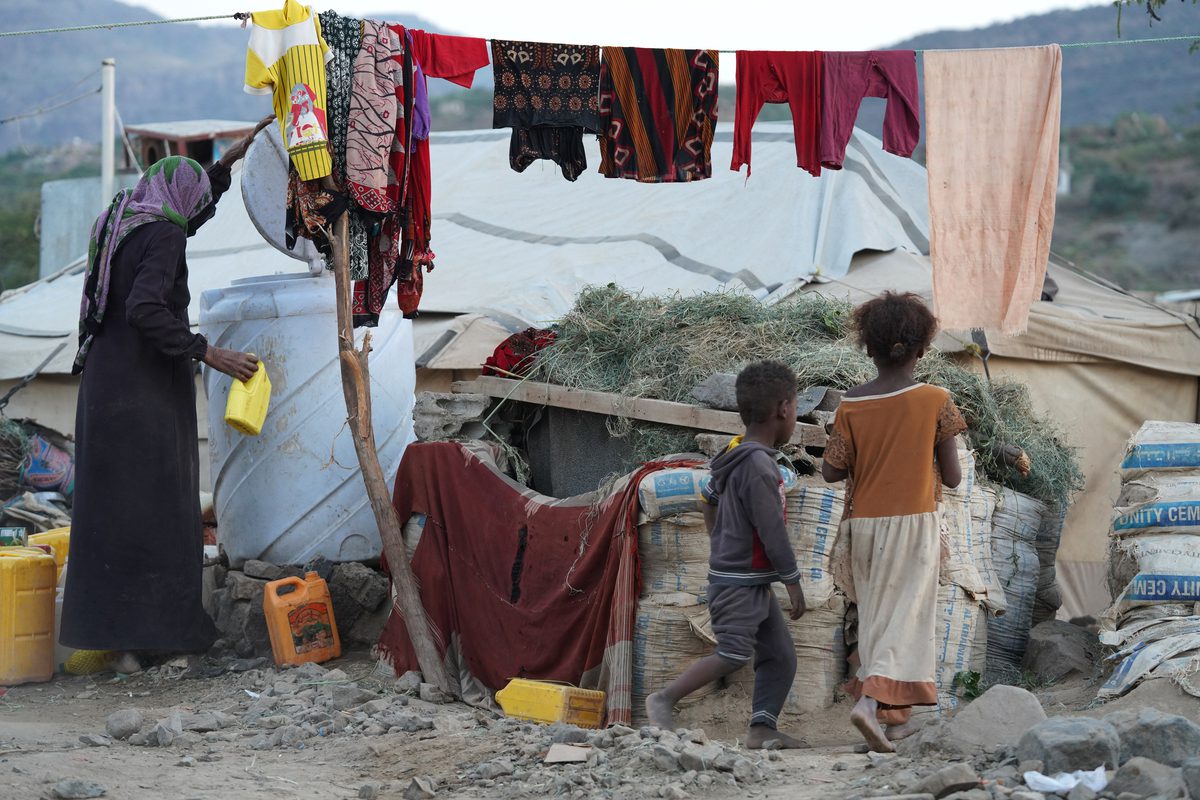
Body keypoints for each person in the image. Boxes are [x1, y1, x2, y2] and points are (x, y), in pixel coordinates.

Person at [61, 116, 274, 674]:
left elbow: (189, 204)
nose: (196, 218)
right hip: (143, 388)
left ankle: (116, 641)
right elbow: (146, 308)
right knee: (159, 507)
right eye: (198, 205)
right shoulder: (164, 234)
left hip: (104, 387)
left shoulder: (124, 217)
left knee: (112, 511)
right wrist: (211, 352)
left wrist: (228, 162)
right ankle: (161, 638)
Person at [821, 291, 967, 753]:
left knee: (879, 619)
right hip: (914, 523)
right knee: (907, 617)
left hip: (863, 527)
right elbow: (955, 476)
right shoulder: (936, 400)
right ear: (923, 347)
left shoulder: (851, 404)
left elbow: (830, 471)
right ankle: (868, 702)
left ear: (868, 347)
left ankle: (894, 720)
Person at [646, 361, 809, 749]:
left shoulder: (734, 455)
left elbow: (709, 498)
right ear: (783, 409)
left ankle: (762, 728)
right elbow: (772, 531)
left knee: (781, 654)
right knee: (733, 652)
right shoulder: (757, 466)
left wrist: (720, 540)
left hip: (745, 578)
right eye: (797, 408)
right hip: (740, 582)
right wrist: (793, 581)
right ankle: (663, 698)